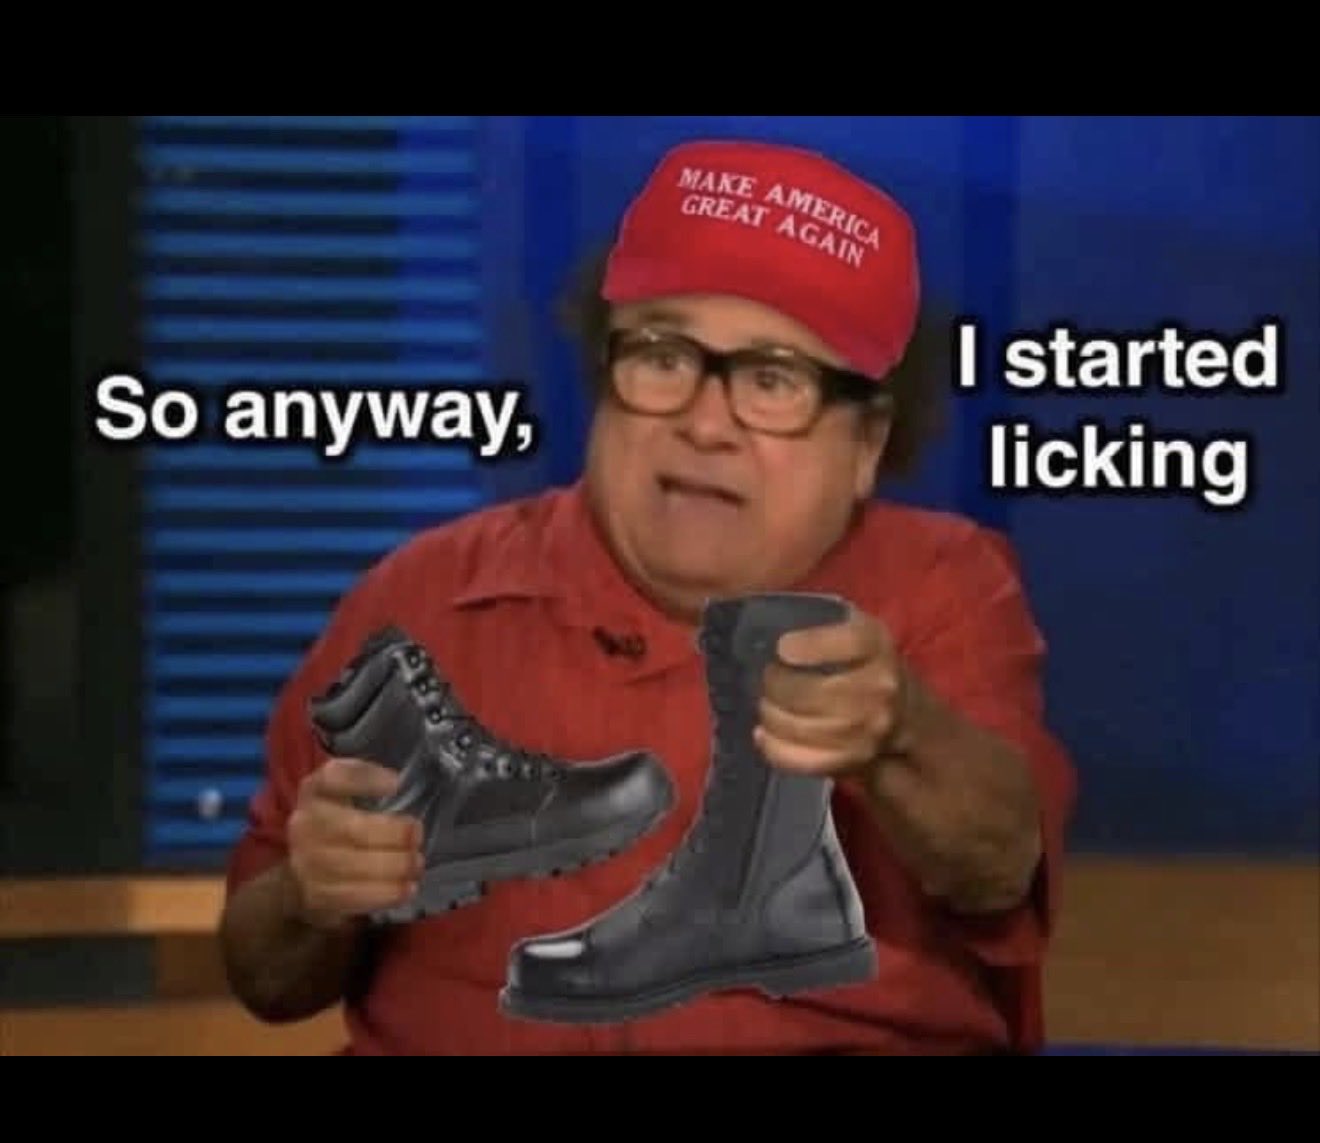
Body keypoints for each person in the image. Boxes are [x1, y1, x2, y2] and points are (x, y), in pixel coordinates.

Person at [218, 138, 1077, 1056]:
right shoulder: (423, 596)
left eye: (772, 380)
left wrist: (900, 729)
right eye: (664, 356)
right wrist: (312, 893)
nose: (705, 423)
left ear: (867, 443)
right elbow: (264, 975)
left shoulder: (941, 586)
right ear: (605, 370)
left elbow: (998, 870)